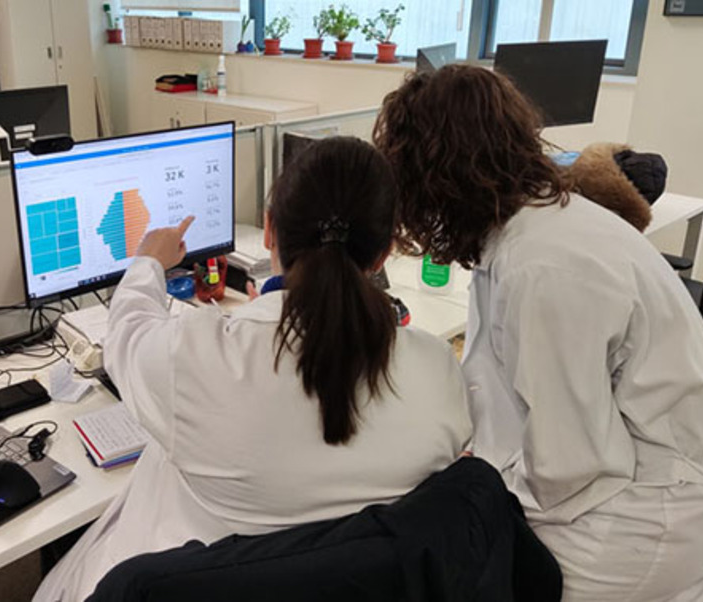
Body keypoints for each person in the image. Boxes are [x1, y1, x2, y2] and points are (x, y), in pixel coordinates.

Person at [33, 137, 472, 601]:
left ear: (268, 231)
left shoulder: (191, 359)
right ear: (384, 254)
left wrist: (148, 262)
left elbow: (127, 332)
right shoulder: (436, 370)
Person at [373, 64, 703, 601]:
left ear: (438, 180)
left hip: (642, 515)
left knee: (446, 561)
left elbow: (572, 467)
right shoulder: (536, 225)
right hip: (626, 474)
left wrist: (478, 489)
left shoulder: (543, 265)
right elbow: (511, 385)